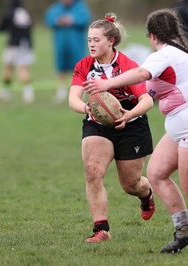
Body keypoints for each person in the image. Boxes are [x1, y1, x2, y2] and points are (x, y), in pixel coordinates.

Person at [84, 9, 188, 253]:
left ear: (152, 35)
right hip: (187, 125)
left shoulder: (164, 54)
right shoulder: (186, 53)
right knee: (156, 173)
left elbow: (140, 73)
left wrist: (108, 83)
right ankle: (184, 229)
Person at [68, 13, 155, 243]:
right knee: (93, 172)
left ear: (111, 42)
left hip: (131, 123)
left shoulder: (128, 66)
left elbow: (147, 101)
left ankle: (146, 195)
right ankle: (101, 229)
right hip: (97, 122)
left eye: (96, 40)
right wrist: (88, 108)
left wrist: (130, 114)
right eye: (89, 40)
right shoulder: (85, 65)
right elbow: (73, 98)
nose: (91, 44)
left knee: (131, 184)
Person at [45, 0, 91, 103]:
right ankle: (61, 92)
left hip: (76, 44)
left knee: (79, 68)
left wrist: (72, 20)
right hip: (61, 43)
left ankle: (80, 93)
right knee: (61, 67)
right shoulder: (56, 7)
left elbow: (85, 19)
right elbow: (49, 19)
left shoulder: (80, 7)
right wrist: (58, 21)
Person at [0, 0, 35, 103]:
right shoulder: (26, 12)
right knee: (24, 68)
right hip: (26, 44)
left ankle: (6, 91)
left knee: (8, 67)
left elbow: (0, 28)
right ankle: (28, 92)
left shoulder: (9, 13)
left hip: (14, 44)